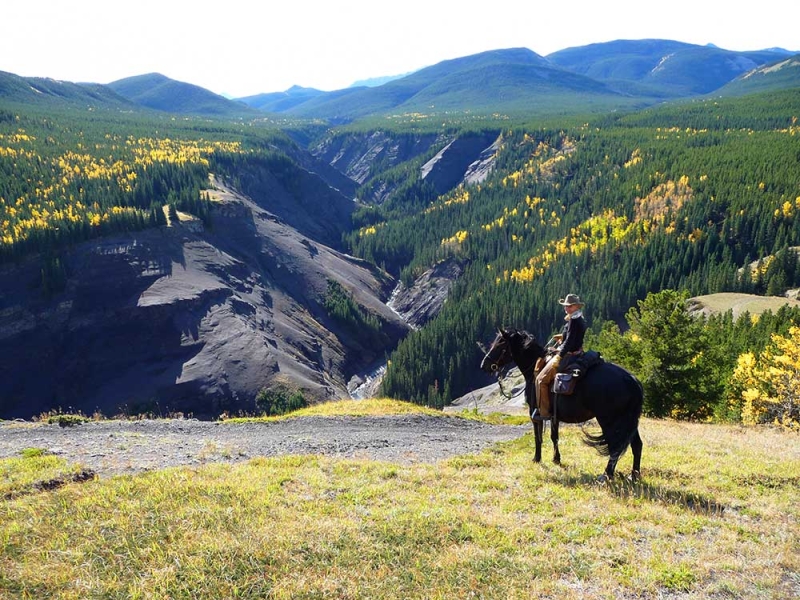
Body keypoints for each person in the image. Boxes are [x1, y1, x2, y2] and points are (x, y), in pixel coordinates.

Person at [533, 293, 587, 422]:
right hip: (577, 351)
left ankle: (544, 413)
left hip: (568, 355)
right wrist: (563, 337)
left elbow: (569, 343)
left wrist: (559, 355)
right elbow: (573, 337)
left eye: (568, 306)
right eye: (565, 306)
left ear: (575, 307)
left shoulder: (573, 320)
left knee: (541, 380)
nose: (566, 308)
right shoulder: (579, 318)